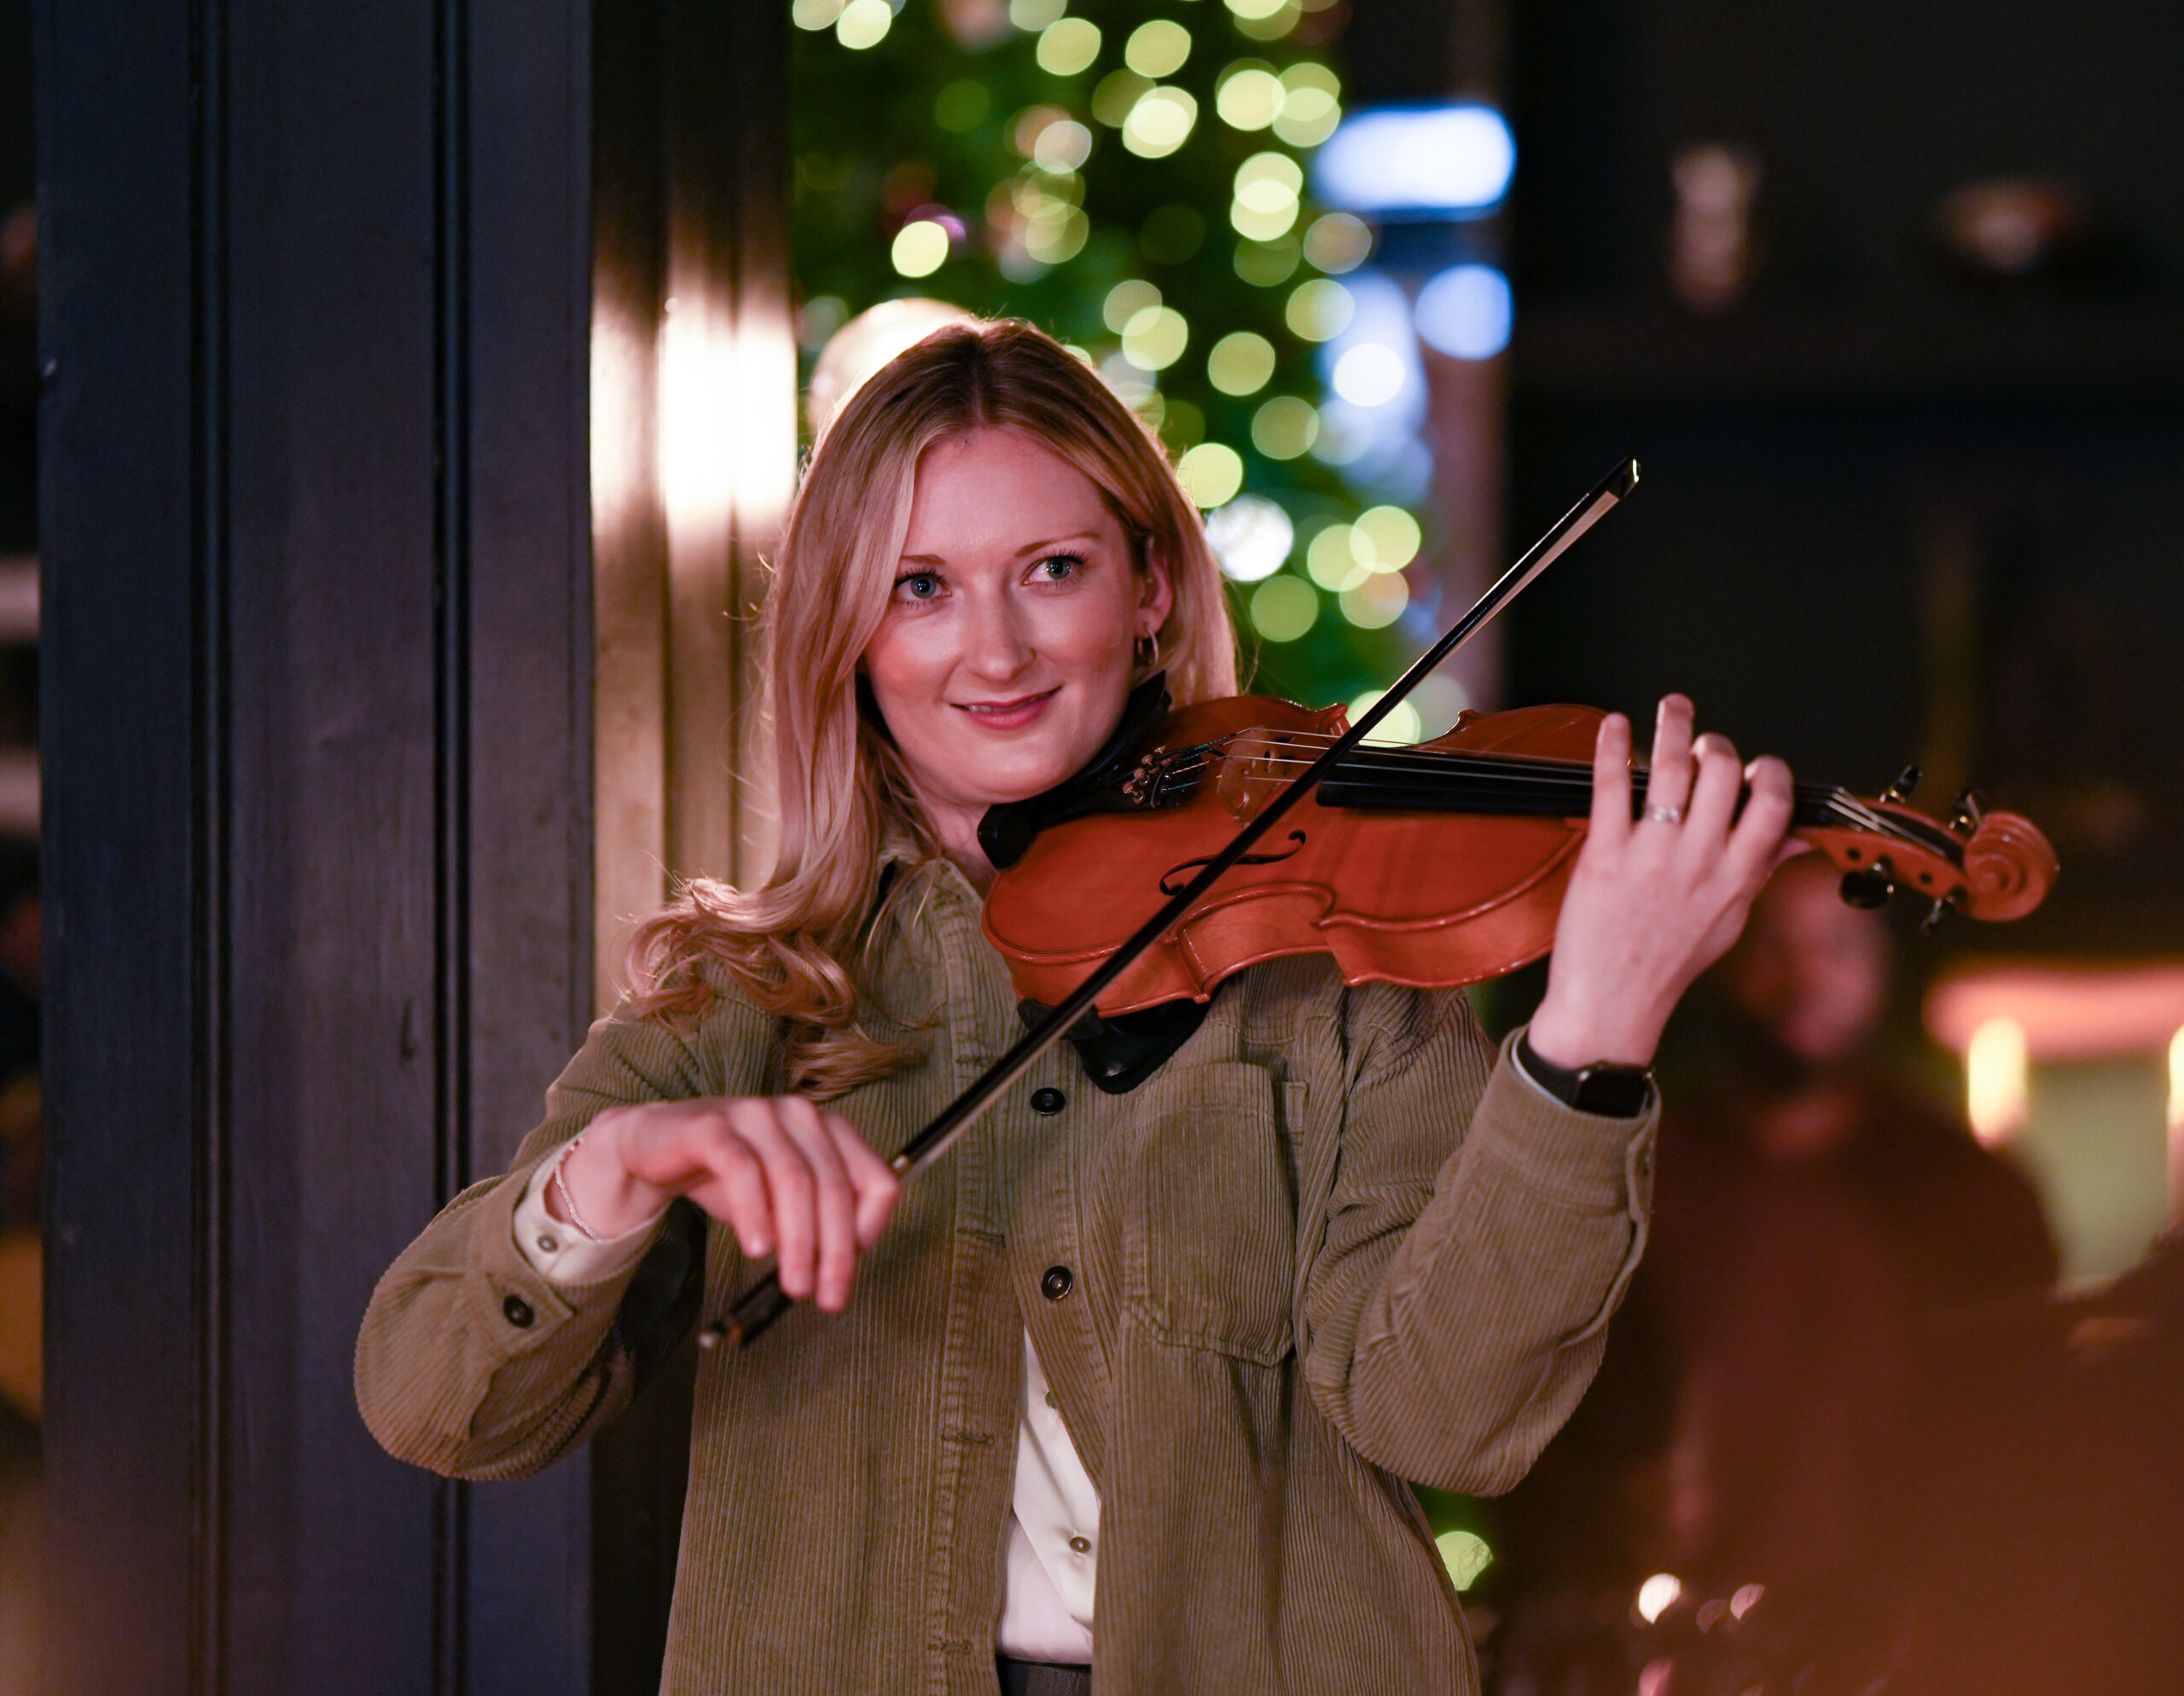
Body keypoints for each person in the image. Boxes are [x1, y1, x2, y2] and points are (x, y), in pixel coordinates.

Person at [355, 319, 1798, 1696]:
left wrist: (1593, 1032)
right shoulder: (755, 999)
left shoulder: (1335, 966)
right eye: (921, 585)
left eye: (1051, 568)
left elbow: (1449, 1419)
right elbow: (435, 1398)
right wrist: (606, 1171)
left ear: (1150, 587)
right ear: (849, 628)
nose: (995, 651)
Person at [1488, 851, 2056, 1696]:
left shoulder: (1969, 1195)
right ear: (1722, 961)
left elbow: (2027, 1432)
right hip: (1660, 1645)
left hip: (1919, 1643)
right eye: (1774, 945)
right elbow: (1530, 1404)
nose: (1805, 976)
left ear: (1883, 963)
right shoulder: (1638, 1172)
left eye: (1838, 945)